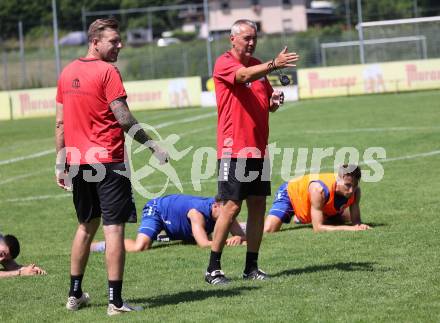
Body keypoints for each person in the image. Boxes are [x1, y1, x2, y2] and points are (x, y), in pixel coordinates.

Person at [55, 18, 168, 316]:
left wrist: (60, 163)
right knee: (113, 229)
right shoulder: (108, 71)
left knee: (85, 226)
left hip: (78, 162)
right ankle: (115, 302)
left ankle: (75, 294)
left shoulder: (66, 72)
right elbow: (124, 118)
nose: (120, 45)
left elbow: (60, 123)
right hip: (108, 162)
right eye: (114, 41)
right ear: (95, 42)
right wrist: (153, 144)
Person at [205, 19, 300, 285]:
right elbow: (243, 77)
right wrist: (273, 64)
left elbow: (265, 101)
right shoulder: (225, 63)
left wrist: (273, 101)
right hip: (233, 149)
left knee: (258, 207)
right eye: (246, 38)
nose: (251, 42)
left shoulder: (256, 64)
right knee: (231, 207)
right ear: (232, 39)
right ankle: (213, 268)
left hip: (259, 149)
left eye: (254, 37)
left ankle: (251, 267)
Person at [90, 195, 246, 253]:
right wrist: (228, 241)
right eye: (226, 210)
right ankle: (100, 246)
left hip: (175, 217)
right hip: (158, 209)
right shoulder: (197, 213)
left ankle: (166, 234)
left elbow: (242, 237)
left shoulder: (225, 213)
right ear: (216, 205)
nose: (230, 214)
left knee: (191, 238)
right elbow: (204, 244)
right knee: (141, 246)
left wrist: (239, 238)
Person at [264, 165, 371, 233]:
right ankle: (247, 227)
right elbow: (318, 228)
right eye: (347, 185)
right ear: (338, 180)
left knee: (344, 218)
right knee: (269, 229)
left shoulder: (355, 192)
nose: (351, 190)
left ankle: (307, 216)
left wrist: (358, 225)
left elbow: (356, 222)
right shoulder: (319, 190)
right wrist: (350, 229)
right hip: (291, 193)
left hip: (317, 202)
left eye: (355, 185)